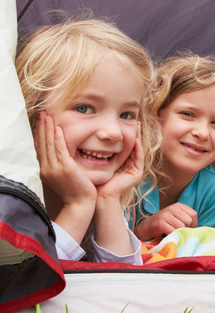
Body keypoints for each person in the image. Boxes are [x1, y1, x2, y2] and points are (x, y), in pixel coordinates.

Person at [16, 16, 155, 263]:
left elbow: (125, 292)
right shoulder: (5, 205)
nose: (112, 132)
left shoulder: (107, 195)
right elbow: (25, 287)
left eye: (126, 114)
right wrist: (77, 206)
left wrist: (109, 201)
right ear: (31, 113)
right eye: (84, 108)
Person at [132, 55, 215, 242]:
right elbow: (102, 250)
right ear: (155, 113)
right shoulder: (129, 168)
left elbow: (203, 255)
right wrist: (144, 230)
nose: (203, 133)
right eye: (188, 114)